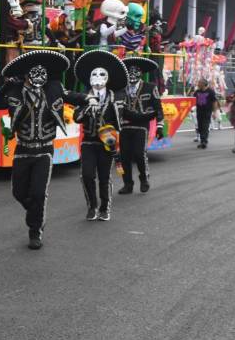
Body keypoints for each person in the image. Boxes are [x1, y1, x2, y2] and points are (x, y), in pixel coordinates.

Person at [0, 49, 71, 250]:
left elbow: (72, 96)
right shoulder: (15, 91)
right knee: (18, 192)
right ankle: (34, 211)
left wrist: (90, 99)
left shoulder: (54, 88)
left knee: (38, 193)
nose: (39, 76)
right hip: (23, 150)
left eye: (42, 72)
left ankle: (35, 231)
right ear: (26, 74)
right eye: (34, 72)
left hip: (44, 151)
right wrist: (6, 86)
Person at [64, 49, 127, 221]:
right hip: (89, 142)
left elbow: (119, 122)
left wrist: (114, 141)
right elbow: (76, 117)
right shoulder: (84, 97)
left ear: (107, 78)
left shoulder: (115, 98)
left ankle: (105, 208)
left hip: (106, 144)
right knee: (87, 175)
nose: (98, 77)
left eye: (102, 74)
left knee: (104, 177)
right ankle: (92, 206)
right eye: (94, 74)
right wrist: (87, 109)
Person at [117, 56, 165, 195]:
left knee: (139, 153)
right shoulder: (121, 88)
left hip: (141, 126)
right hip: (124, 126)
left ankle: (144, 178)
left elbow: (158, 108)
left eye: (135, 71)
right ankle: (127, 184)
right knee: (123, 157)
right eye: (129, 71)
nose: (132, 74)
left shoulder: (151, 87)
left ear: (141, 73)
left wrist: (160, 126)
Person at [191, 78, 218, 149]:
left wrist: (214, 112)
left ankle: (204, 142)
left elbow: (215, 102)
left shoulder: (211, 91)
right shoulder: (197, 91)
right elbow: (192, 100)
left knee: (205, 126)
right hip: (199, 111)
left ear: (203, 84)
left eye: (199, 83)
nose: (198, 84)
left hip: (207, 111)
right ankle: (203, 140)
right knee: (200, 127)